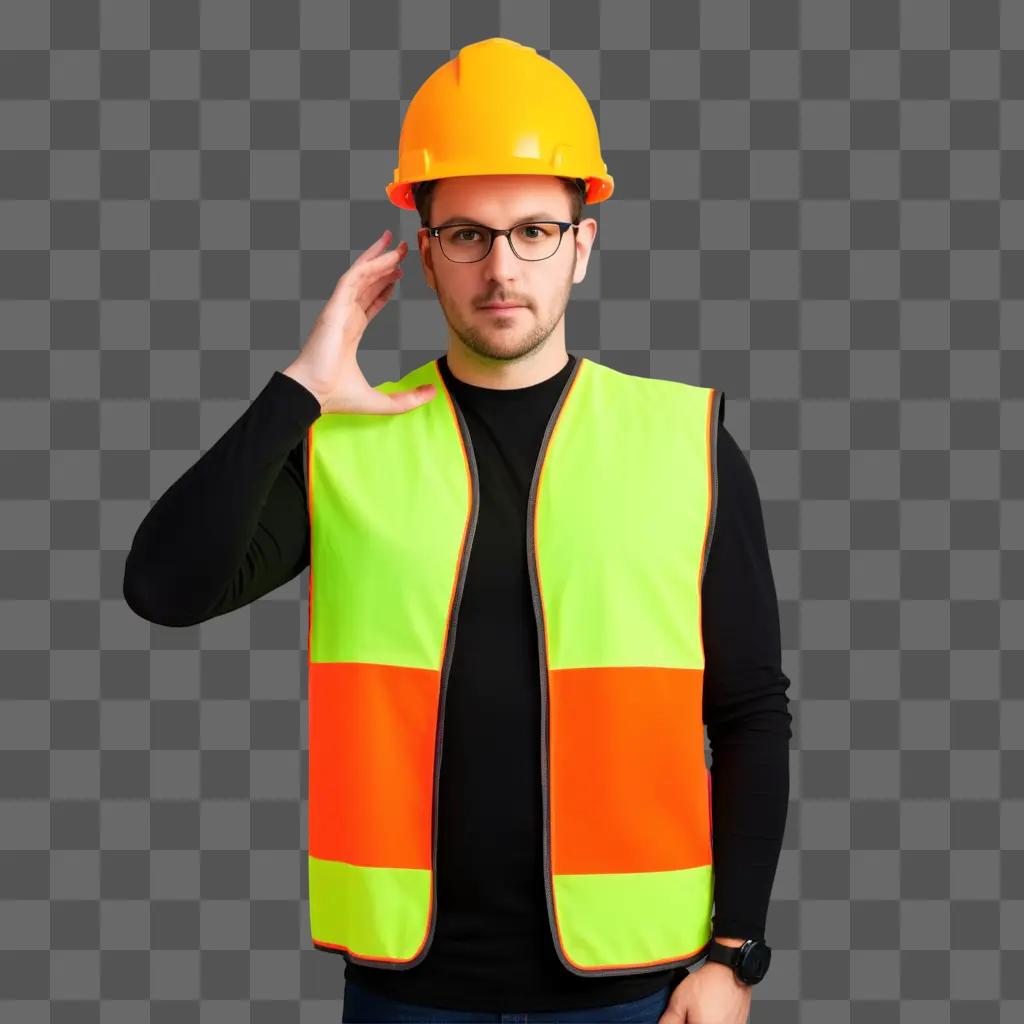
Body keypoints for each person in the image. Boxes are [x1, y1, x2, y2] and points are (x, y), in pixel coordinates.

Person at [123, 37, 792, 1024]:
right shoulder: (343, 448)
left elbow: (748, 713)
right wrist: (300, 390)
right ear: (424, 250)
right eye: (467, 235)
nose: (501, 266)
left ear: (583, 243)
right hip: (406, 992)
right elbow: (162, 588)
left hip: (635, 990)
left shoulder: (685, 443)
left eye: (532, 230)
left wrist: (732, 955)